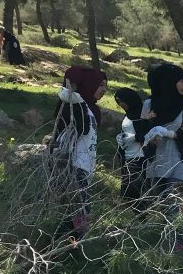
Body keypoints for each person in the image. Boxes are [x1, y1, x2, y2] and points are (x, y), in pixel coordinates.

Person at [49, 67, 105, 236]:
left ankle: (66, 244)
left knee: (77, 210)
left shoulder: (91, 108)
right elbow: (81, 129)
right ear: (88, 84)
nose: (104, 90)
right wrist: (76, 100)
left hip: (86, 164)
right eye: (100, 85)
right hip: (72, 164)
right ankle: (65, 244)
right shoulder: (71, 106)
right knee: (78, 209)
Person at [141, 63, 183, 195]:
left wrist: (170, 134)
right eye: (181, 81)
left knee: (175, 203)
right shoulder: (149, 104)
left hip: (179, 162)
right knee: (156, 202)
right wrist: (151, 133)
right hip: (156, 162)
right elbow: (142, 132)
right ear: (169, 82)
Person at [114, 87, 149, 202]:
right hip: (127, 158)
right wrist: (120, 137)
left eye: (121, 101)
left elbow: (148, 133)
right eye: (118, 102)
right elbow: (126, 130)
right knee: (126, 194)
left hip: (139, 158)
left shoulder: (142, 114)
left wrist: (133, 138)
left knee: (134, 193)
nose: (120, 104)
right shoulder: (127, 115)